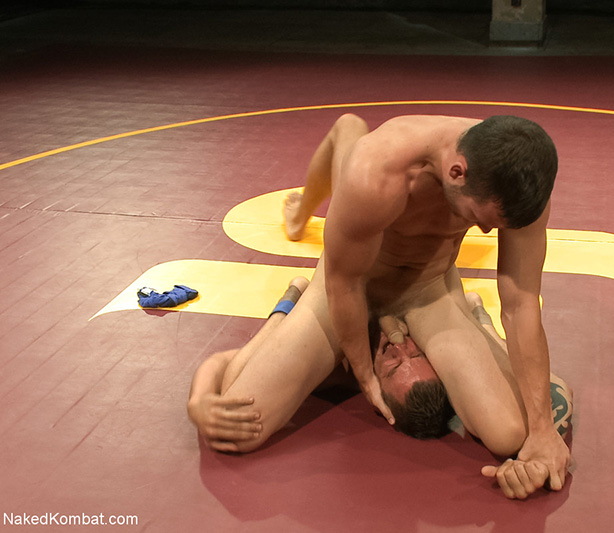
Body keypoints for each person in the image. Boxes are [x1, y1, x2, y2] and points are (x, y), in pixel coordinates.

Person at [283, 113, 569, 490]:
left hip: (425, 286)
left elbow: (520, 304)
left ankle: (478, 323)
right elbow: (344, 281)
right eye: (480, 218)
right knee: (247, 418)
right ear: (457, 173)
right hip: (352, 280)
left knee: (508, 434)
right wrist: (364, 374)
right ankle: (343, 139)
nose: (484, 230)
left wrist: (543, 430)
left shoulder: (521, 186)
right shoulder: (380, 166)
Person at [187, 270, 573, 499]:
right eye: (415, 355)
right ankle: (480, 320)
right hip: (412, 277)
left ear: (376, 394)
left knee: (241, 420)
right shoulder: (431, 348)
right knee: (508, 433)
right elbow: (558, 389)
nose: (399, 346)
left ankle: (288, 303)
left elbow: (221, 363)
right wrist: (539, 447)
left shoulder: (344, 367)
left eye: (391, 363)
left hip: (355, 284)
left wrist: (199, 402)